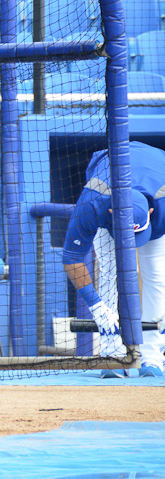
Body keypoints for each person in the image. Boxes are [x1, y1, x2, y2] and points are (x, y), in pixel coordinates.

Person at [62, 141, 165, 378]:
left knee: (157, 274)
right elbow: (72, 256)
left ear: (150, 213)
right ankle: (113, 354)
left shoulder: (162, 204)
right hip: (107, 174)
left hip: (157, 177)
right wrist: (97, 308)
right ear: (111, 214)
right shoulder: (93, 203)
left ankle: (152, 355)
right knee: (111, 271)